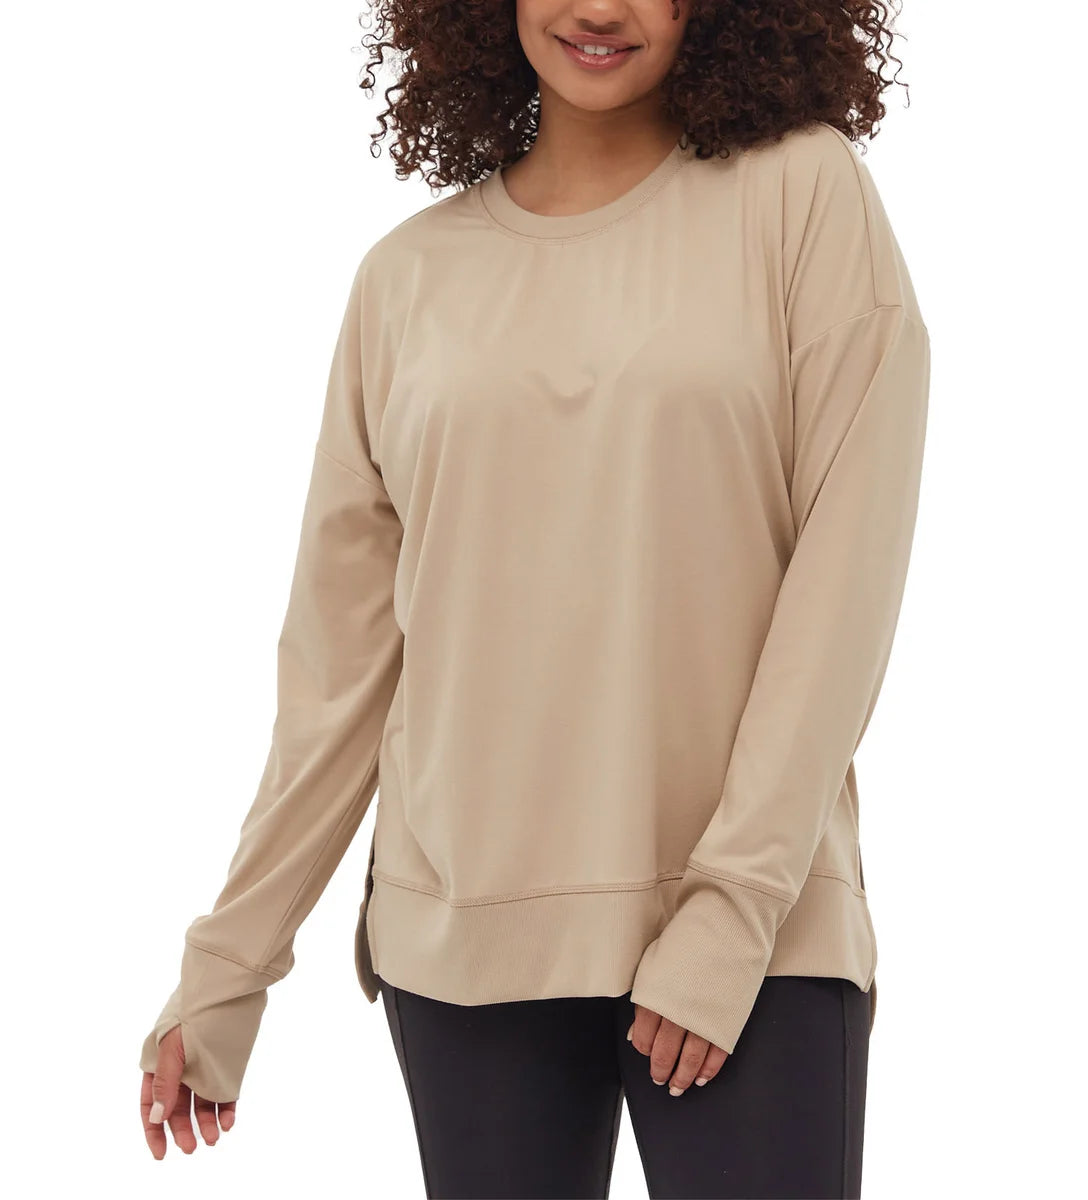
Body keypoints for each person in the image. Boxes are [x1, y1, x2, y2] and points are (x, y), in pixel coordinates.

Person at [138, 1, 929, 1195]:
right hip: (464, 945)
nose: (600, 7)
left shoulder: (802, 197)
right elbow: (338, 674)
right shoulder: (405, 280)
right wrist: (227, 972)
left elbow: (847, 578)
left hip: (754, 940)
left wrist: (733, 908)